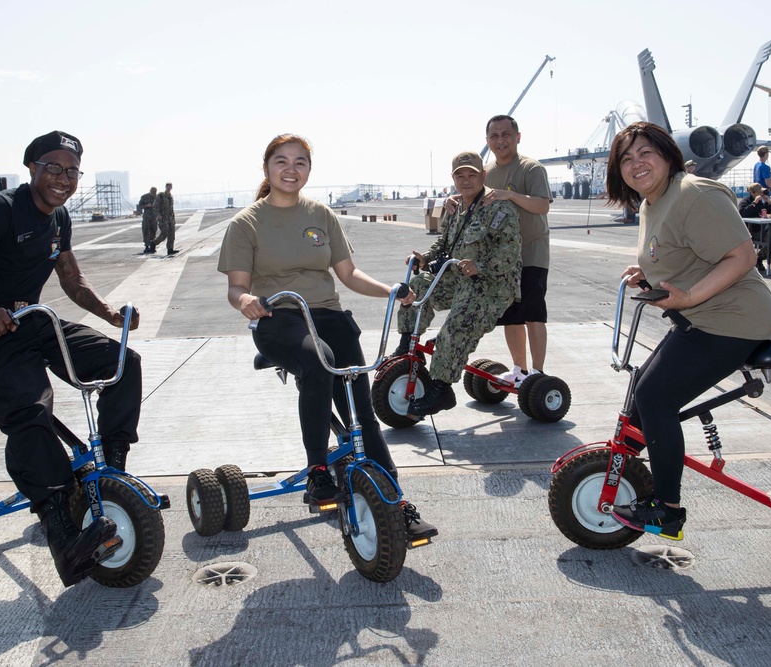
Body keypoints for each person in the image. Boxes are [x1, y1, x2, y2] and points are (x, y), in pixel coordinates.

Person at [0, 131, 142, 586]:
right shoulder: (2, 210)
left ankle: (111, 472)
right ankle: (62, 534)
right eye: (53, 167)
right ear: (32, 168)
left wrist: (110, 313)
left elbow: (72, 281)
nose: (63, 178)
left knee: (121, 364)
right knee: (31, 416)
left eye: (72, 171)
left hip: (33, 322)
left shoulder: (59, 219)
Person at [217, 133, 437, 541]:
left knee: (360, 409)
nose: (291, 169)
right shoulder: (246, 223)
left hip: (329, 315)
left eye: (300, 162)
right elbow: (235, 288)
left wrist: (391, 290)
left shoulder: (322, 215)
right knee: (318, 362)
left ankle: (396, 502)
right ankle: (318, 469)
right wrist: (245, 299)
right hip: (279, 317)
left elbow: (348, 275)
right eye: (281, 161)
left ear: (308, 170)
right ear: (266, 168)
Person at [603, 122, 771, 540]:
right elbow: (678, 253)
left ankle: (667, 510)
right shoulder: (652, 201)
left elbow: (742, 256)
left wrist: (687, 297)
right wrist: (646, 272)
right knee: (642, 389)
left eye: (645, 152)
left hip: (734, 319)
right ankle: (630, 473)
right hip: (699, 316)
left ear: (666, 154)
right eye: (626, 159)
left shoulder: (693, 193)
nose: (636, 164)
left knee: (654, 397)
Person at [394, 151, 522, 415]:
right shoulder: (455, 207)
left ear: (482, 176)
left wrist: (480, 266)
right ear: (453, 179)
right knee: (416, 287)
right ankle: (409, 347)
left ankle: (441, 389)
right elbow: (444, 245)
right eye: (459, 175)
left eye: (471, 175)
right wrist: (423, 258)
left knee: (455, 328)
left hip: (491, 286)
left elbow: (510, 254)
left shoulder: (498, 208)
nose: (466, 180)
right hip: (457, 278)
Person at [483, 114, 553, 387]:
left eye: (506, 134)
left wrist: (509, 194)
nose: (501, 140)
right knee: (510, 315)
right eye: (494, 136)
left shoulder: (531, 169)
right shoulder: (486, 173)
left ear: (518, 137)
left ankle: (537, 372)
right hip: (503, 259)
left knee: (533, 313)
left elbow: (542, 206)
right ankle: (519, 369)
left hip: (532, 253)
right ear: (487, 141)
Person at [738, 182, 771, 272]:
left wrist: (770, 202)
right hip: (750, 231)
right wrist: (754, 203)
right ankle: (754, 260)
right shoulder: (745, 201)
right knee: (770, 240)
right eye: (760, 193)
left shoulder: (763, 202)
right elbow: (742, 213)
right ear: (753, 193)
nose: (762, 194)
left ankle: (759, 259)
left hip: (763, 230)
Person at [150, 182, 176, 255]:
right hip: (163, 218)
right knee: (164, 233)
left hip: (170, 218)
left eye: (170, 186)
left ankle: (170, 249)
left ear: (171, 188)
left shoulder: (170, 196)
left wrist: (174, 218)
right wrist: (158, 215)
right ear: (165, 187)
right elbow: (155, 206)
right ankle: (154, 243)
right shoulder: (161, 195)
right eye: (167, 186)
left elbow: (171, 209)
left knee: (172, 234)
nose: (169, 188)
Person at [136, 186, 158, 254]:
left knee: (153, 231)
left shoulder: (157, 197)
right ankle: (146, 246)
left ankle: (152, 246)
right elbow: (139, 206)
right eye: (152, 191)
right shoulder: (144, 197)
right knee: (146, 231)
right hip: (147, 217)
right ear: (150, 191)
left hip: (154, 217)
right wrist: (147, 206)